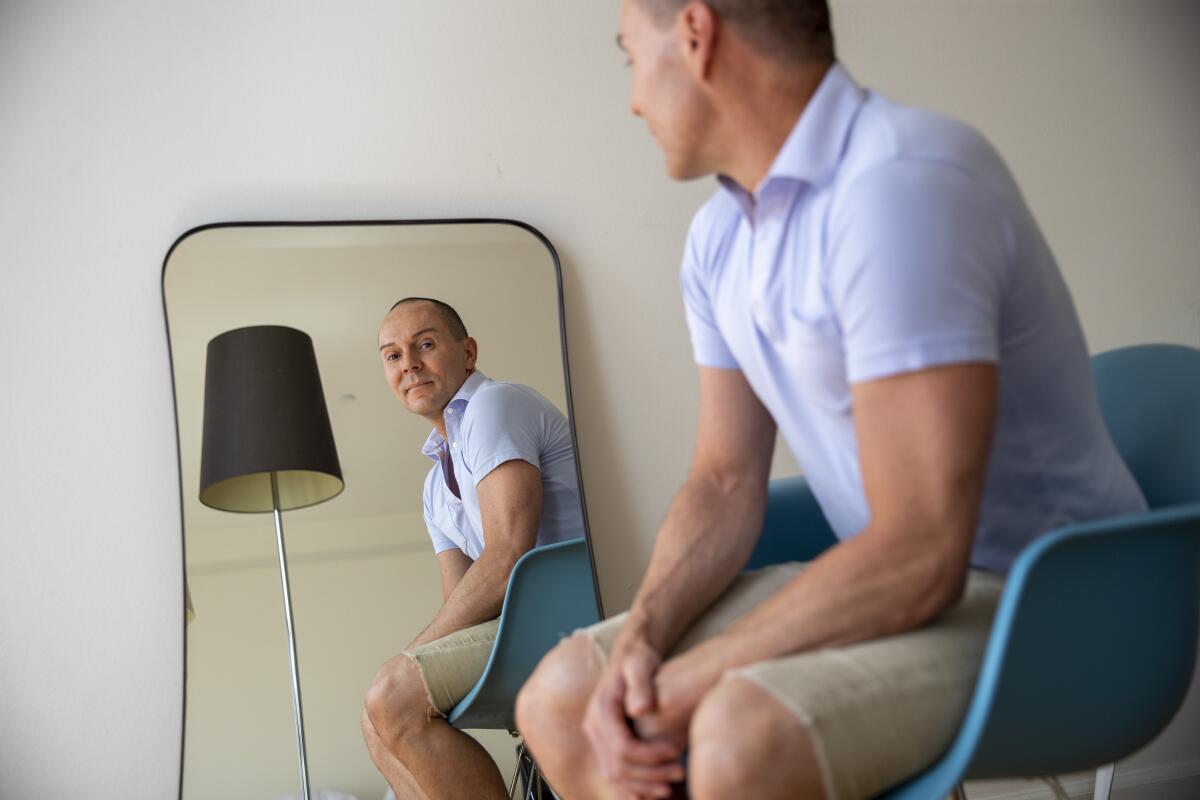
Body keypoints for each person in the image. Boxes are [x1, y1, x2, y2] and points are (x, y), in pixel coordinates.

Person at [515, 2, 1147, 798]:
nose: (634, 97)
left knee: (735, 739)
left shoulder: (901, 185)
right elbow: (722, 479)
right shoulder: (718, 241)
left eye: (629, 56)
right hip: (901, 581)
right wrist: (645, 638)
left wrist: (697, 675)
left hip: (1065, 603)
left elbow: (921, 551)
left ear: (697, 36)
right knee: (564, 697)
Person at [361, 297, 584, 799]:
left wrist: (405, 662)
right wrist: (409, 664)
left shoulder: (495, 404)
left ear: (468, 352)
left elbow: (507, 559)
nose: (409, 364)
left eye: (425, 344)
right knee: (376, 718)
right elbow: (461, 604)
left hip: (579, 609)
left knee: (392, 693)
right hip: (520, 626)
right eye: (393, 355)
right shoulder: (432, 488)